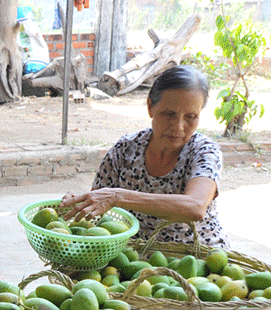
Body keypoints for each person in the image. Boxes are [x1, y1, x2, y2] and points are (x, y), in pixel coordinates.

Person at [59, 64, 229, 248]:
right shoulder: (125, 149)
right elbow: (99, 203)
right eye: (169, 114)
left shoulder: (204, 151)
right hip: (133, 256)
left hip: (198, 257)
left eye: (191, 116)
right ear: (150, 107)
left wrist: (118, 196)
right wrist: (76, 203)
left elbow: (195, 207)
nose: (178, 126)